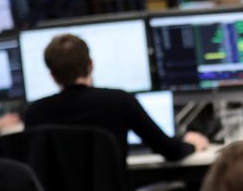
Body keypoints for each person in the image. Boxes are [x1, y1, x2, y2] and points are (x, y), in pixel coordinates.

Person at [23, 34, 208, 162]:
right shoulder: (119, 101)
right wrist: (191, 144)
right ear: (91, 65)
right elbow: (170, 151)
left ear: (53, 76)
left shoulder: (35, 113)